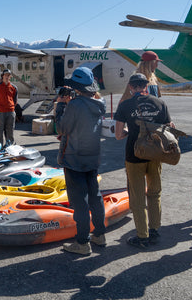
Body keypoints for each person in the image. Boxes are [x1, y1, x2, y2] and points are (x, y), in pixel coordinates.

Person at [114, 73, 174, 249]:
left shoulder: (125, 105)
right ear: (146, 86)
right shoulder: (160, 103)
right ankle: (154, 229)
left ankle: (142, 236)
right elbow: (170, 128)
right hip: (155, 154)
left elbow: (118, 135)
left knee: (138, 197)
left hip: (134, 155)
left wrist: (129, 133)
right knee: (155, 193)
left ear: (131, 87)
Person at [56, 67, 107, 255]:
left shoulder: (75, 105)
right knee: (96, 196)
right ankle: (100, 234)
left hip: (74, 158)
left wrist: (61, 105)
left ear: (77, 88)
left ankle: (83, 242)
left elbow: (61, 128)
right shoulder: (99, 104)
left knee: (80, 202)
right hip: (92, 156)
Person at [0, 69, 18, 146]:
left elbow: (15, 100)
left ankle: (9, 145)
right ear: (2, 76)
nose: (7, 77)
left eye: (8, 75)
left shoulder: (14, 87)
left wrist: (11, 107)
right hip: (0, 112)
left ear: (10, 77)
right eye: (5, 75)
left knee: (10, 130)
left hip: (10, 111)